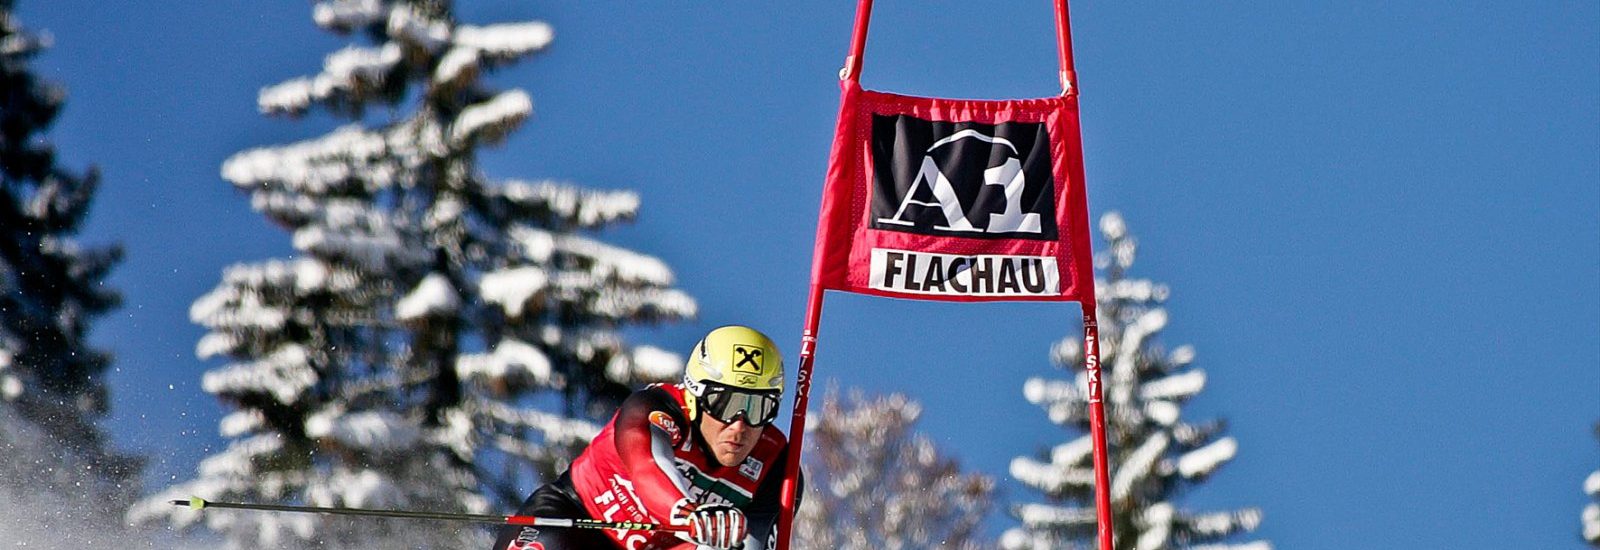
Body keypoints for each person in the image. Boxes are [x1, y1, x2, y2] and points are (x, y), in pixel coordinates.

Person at [492, 326, 800, 550]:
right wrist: (688, 513)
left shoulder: (777, 468)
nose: (739, 425)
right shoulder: (656, 408)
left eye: (759, 407)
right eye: (725, 404)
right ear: (695, 395)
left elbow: (754, 543)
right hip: (571, 522)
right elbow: (649, 468)